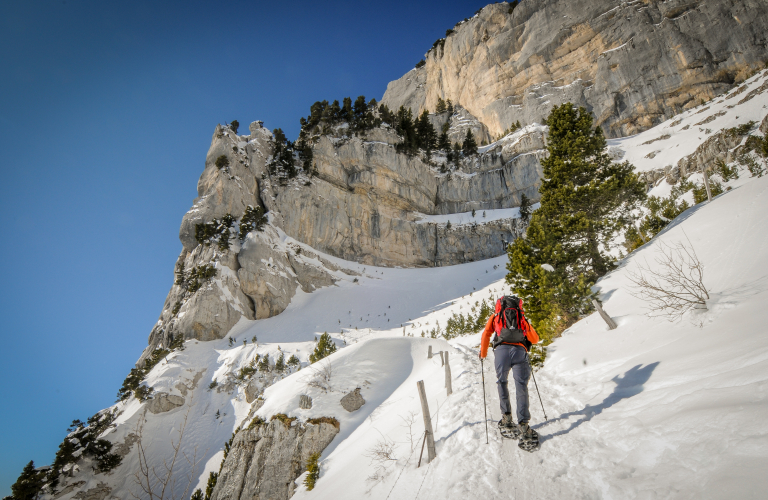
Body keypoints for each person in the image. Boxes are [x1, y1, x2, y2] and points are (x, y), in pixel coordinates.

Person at [479, 295, 539, 437]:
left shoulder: (496, 316)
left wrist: (483, 353)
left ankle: (507, 418)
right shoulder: (521, 318)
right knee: (521, 386)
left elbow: (486, 334)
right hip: (519, 352)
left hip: (501, 353)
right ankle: (524, 425)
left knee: (502, 382)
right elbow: (535, 339)